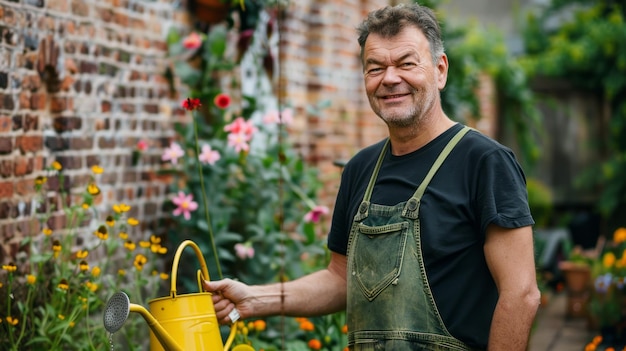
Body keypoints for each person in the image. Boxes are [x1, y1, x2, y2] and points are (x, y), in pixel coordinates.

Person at [204, 3, 540, 350]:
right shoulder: (360, 169)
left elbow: (521, 294)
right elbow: (339, 279)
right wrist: (255, 300)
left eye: (407, 63)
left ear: (440, 70)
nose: (390, 78)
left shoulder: (484, 162)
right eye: (375, 67)